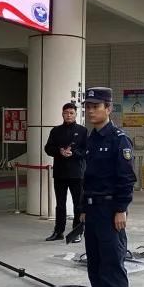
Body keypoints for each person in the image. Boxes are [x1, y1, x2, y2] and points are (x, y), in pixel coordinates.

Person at [73, 87, 136, 287]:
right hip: (93, 210)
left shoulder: (119, 139)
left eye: (96, 106)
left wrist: (121, 209)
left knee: (112, 264)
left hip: (111, 211)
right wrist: (83, 210)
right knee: (96, 263)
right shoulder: (92, 139)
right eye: (87, 106)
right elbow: (86, 178)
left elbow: (126, 178)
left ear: (108, 109)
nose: (90, 110)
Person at [43, 101, 88, 242]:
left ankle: (77, 231)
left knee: (78, 204)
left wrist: (73, 153)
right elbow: (48, 148)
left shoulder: (82, 131)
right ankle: (58, 231)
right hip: (60, 173)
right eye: (66, 113)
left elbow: (86, 150)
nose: (68, 115)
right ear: (62, 114)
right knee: (60, 204)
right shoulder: (55, 131)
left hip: (77, 173)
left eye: (71, 113)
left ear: (75, 114)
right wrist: (59, 151)